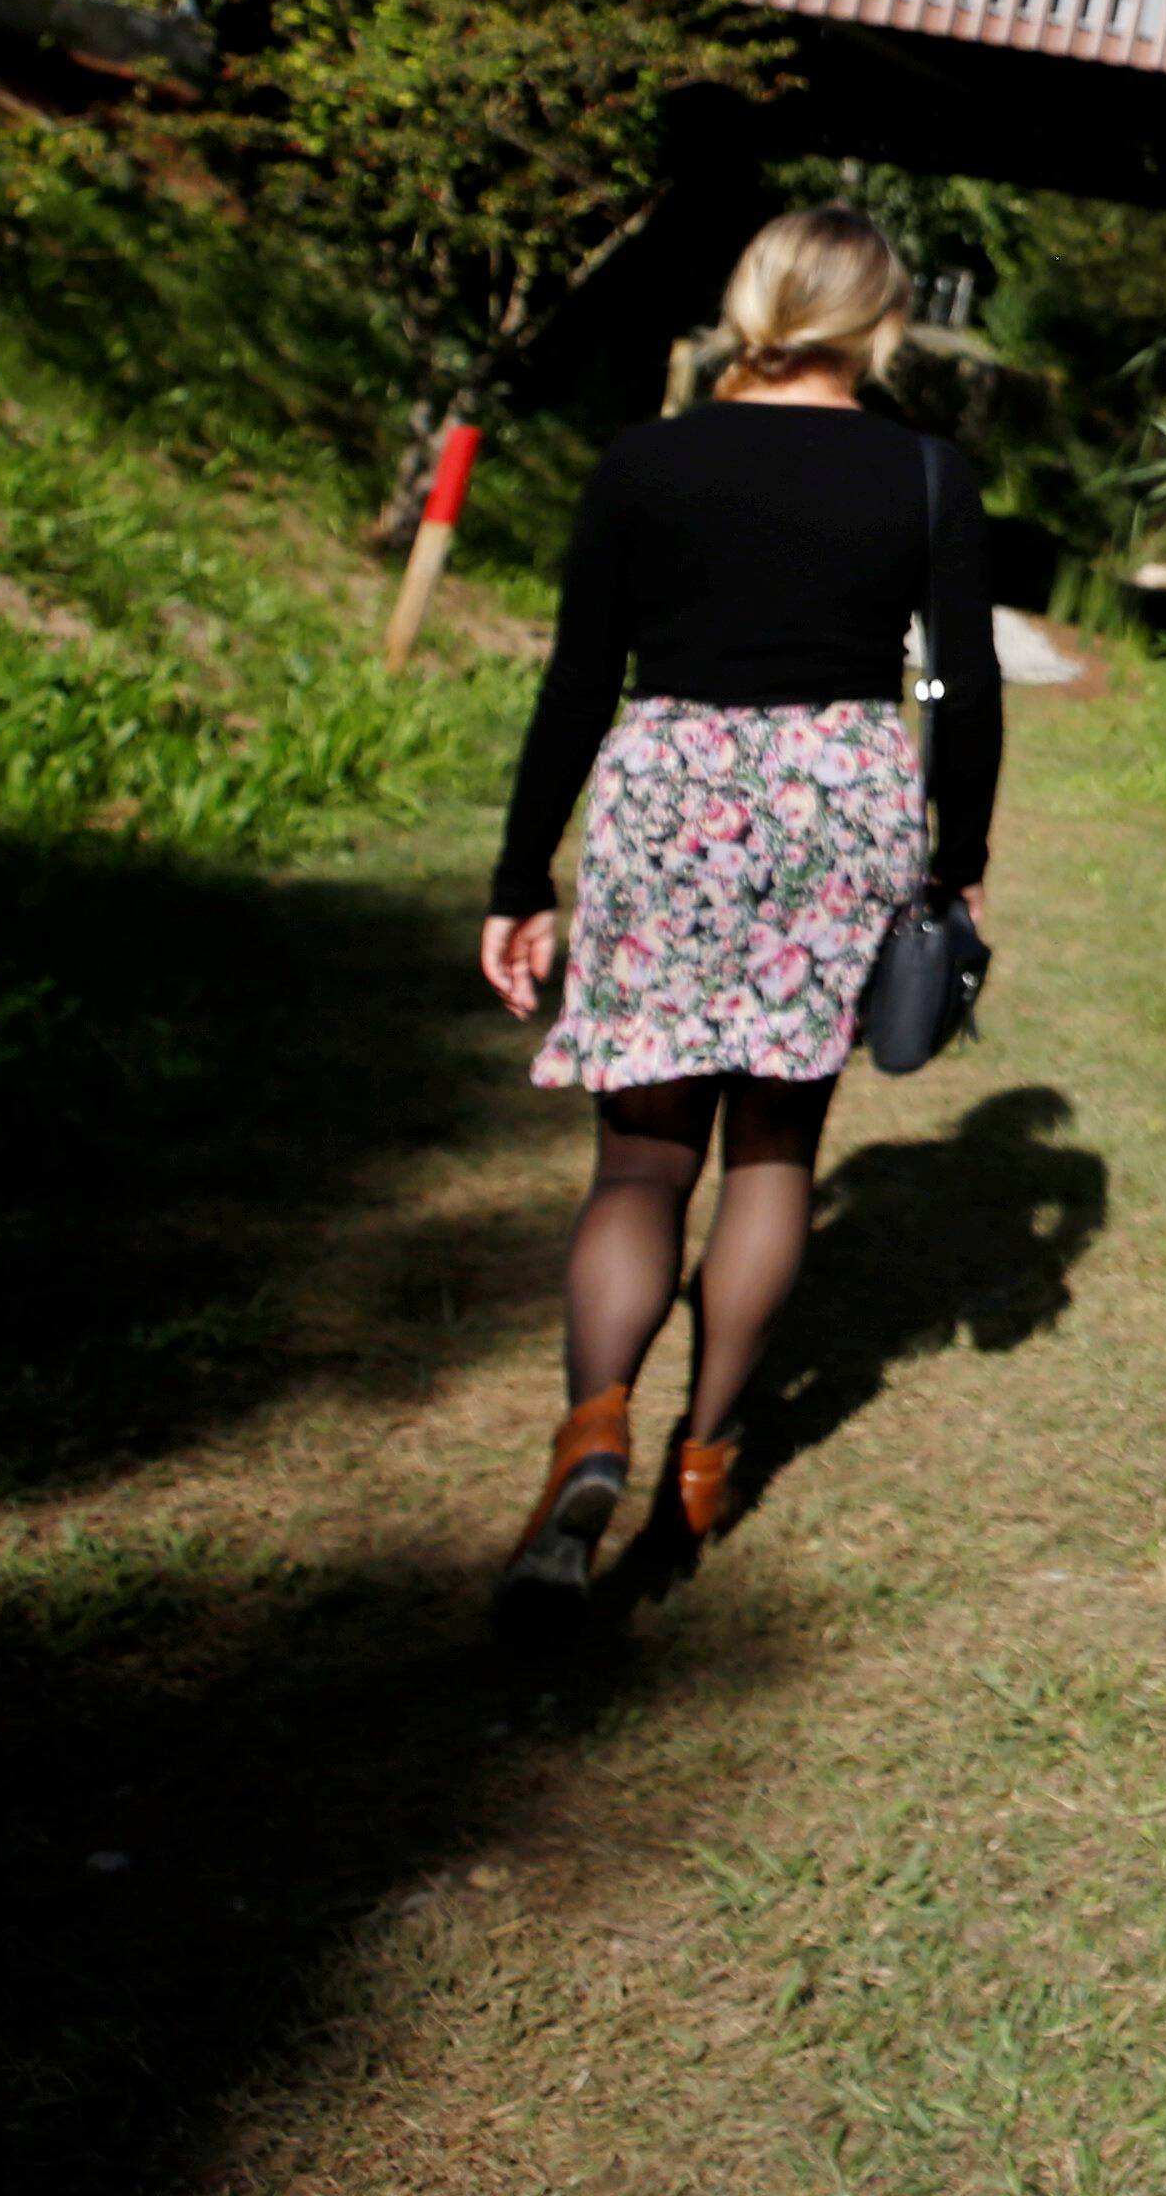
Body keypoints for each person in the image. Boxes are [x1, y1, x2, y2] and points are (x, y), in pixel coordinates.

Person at [481, 203, 999, 1593]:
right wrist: (958, 861)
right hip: (837, 801)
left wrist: (523, 875)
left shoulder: (648, 462)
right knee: (774, 1151)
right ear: (881, 325)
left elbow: (579, 680)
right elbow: (963, 682)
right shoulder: (927, 476)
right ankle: (703, 1468)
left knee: (642, 1161)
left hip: (672, 793)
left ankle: (595, 1429)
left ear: (753, 300)